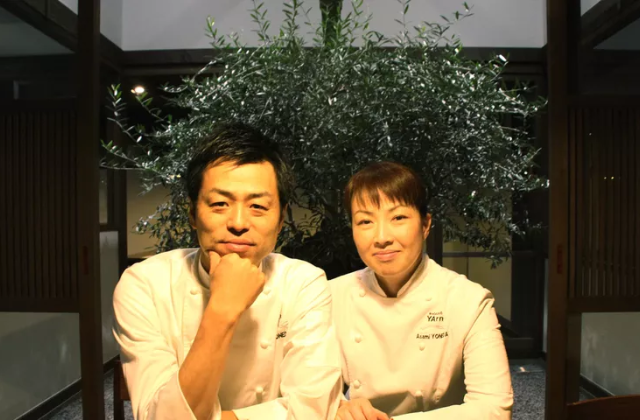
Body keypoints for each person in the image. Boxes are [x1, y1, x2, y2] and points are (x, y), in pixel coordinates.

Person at [113, 122, 343, 420]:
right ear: (193, 214)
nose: (238, 223)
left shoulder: (303, 283)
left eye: (257, 206)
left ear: (281, 219)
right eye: (220, 203)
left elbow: (313, 409)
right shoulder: (145, 285)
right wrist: (222, 310)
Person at [331, 161, 513, 420]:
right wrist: (338, 406)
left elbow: (494, 409)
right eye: (365, 221)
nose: (381, 237)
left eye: (398, 218)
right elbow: (306, 389)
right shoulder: (331, 296)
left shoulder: (468, 300)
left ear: (425, 225)